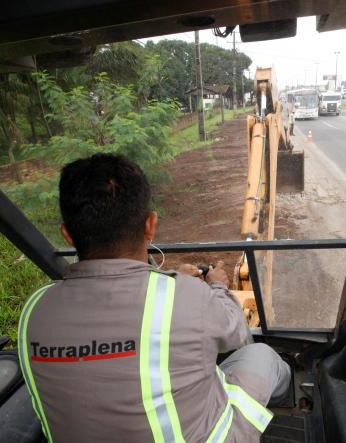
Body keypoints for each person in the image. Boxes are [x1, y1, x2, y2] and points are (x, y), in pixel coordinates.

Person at [17, 153, 291, 442]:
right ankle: (288, 397)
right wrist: (217, 287)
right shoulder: (187, 296)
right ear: (150, 225)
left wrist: (169, 278)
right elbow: (236, 333)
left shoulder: (36, 311)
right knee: (261, 355)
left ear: (68, 235)